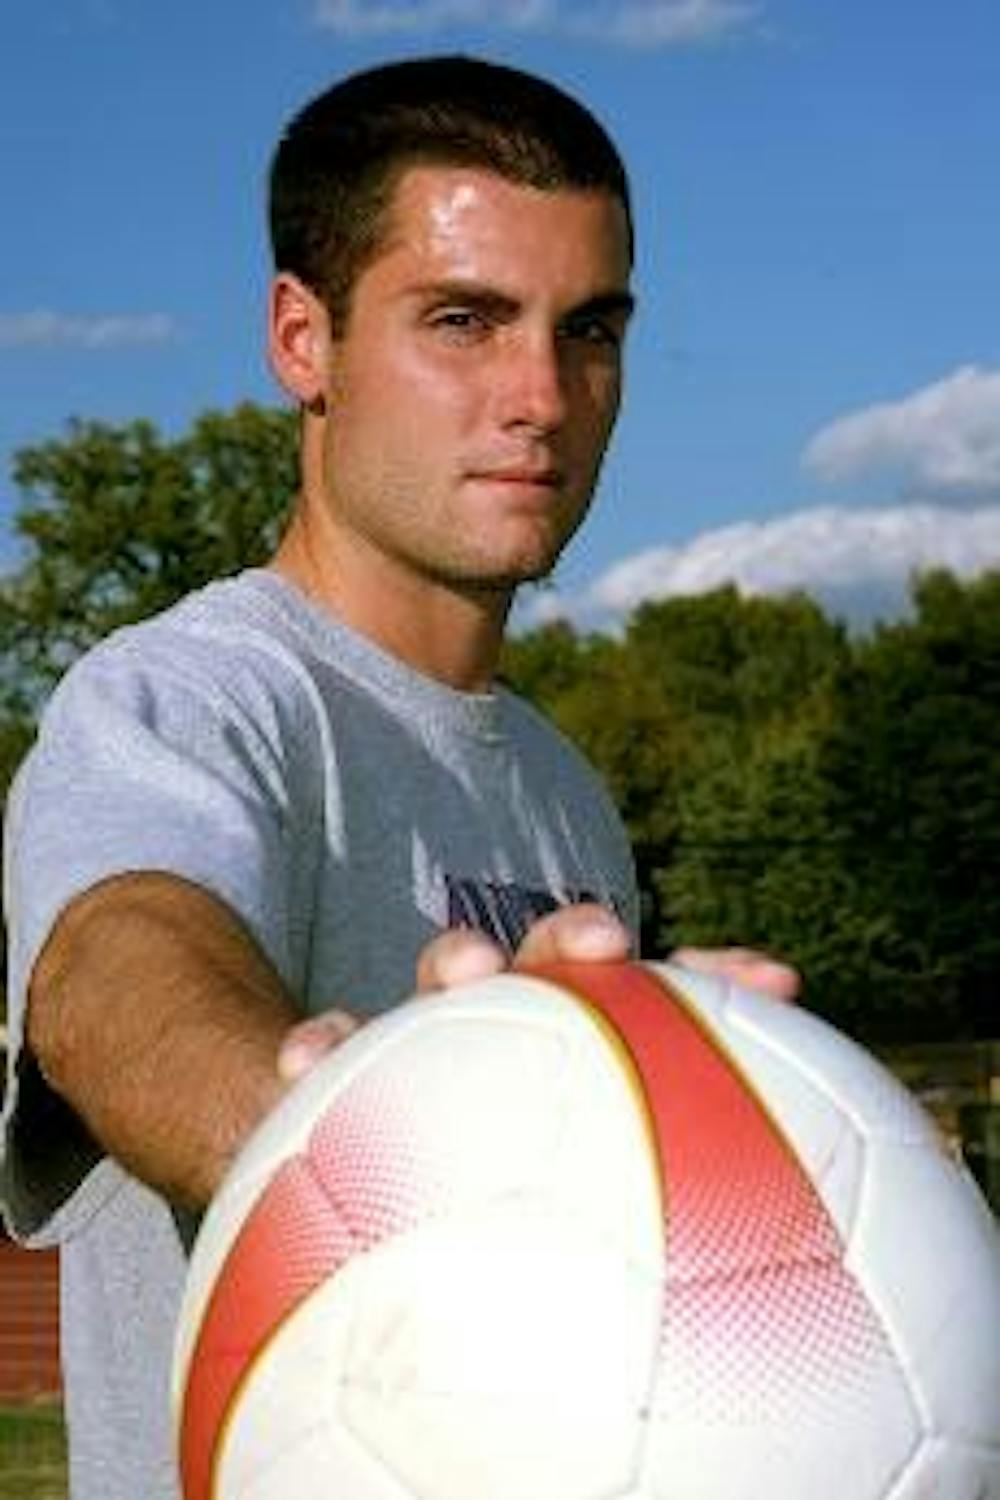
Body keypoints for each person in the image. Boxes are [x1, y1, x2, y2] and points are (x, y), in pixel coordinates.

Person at [0, 55, 796, 1499]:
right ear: (304, 340)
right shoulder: (190, 698)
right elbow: (115, 973)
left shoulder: (563, 787)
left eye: (590, 329)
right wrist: (339, 1130)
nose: (542, 395)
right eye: (463, 321)